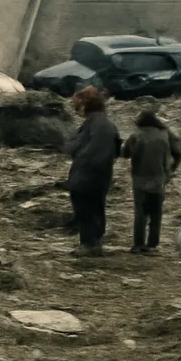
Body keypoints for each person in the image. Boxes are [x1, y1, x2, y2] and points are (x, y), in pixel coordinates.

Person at [65, 86, 121, 256]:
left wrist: (82, 167)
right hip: (91, 176)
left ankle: (91, 244)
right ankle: (90, 242)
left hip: (89, 177)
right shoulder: (99, 123)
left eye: (78, 105)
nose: (76, 110)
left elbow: (94, 153)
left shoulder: (100, 125)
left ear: (86, 105)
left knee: (88, 210)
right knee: (90, 210)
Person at [121, 107, 181, 253]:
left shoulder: (136, 135)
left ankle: (138, 244)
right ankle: (153, 244)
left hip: (140, 179)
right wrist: (171, 169)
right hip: (160, 179)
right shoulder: (166, 134)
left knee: (140, 213)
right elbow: (179, 153)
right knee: (156, 213)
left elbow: (124, 153)